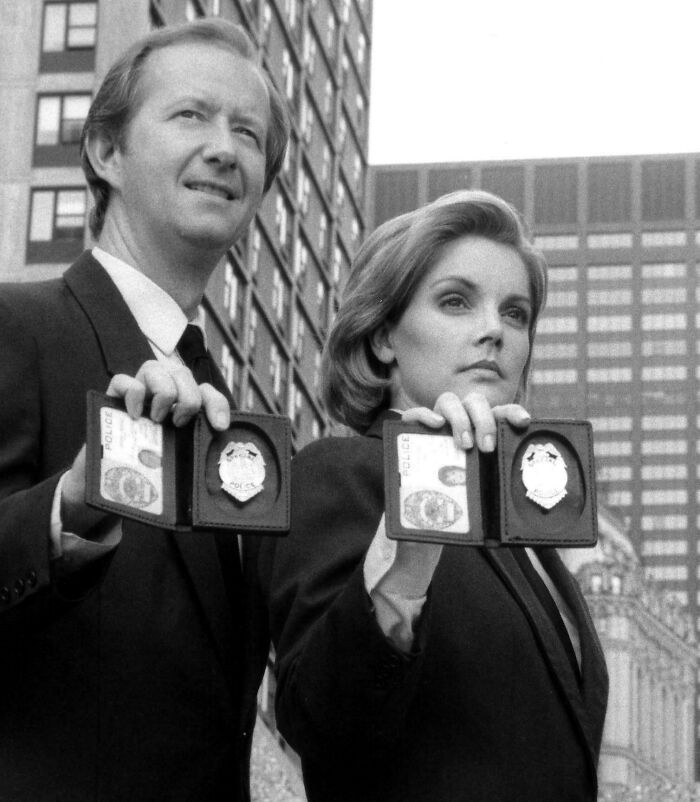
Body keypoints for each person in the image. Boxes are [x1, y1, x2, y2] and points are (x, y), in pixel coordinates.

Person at [0, 18, 288, 800]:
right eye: (191, 115)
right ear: (105, 152)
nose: (226, 148)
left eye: (249, 132)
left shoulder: (241, 427)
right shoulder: (16, 329)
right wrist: (71, 507)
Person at [259, 190, 608, 802]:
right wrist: (411, 543)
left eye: (517, 313)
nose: (494, 330)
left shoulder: (524, 532)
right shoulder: (341, 473)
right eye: (456, 301)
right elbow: (319, 717)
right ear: (384, 336)